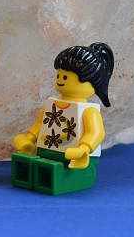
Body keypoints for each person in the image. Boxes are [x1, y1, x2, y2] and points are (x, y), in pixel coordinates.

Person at [12, 42, 114, 195]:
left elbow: (96, 133)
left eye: (66, 77)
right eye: (59, 75)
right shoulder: (52, 105)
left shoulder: (89, 111)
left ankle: (56, 180)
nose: (60, 79)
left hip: (73, 158)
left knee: (54, 170)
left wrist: (84, 149)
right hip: (46, 152)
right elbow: (41, 124)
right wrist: (29, 139)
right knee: (29, 163)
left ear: (91, 82)